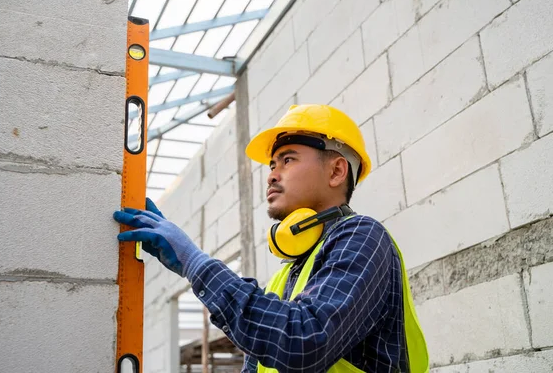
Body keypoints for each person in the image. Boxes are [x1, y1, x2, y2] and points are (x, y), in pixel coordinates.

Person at [113, 104, 429, 372]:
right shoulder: (286, 277)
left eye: (288, 159)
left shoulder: (363, 238)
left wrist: (196, 264)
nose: (272, 174)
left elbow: (305, 340)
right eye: (272, 164)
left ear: (336, 172)